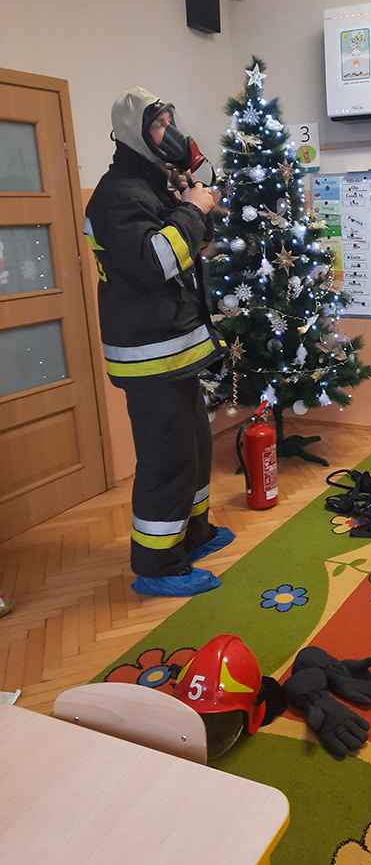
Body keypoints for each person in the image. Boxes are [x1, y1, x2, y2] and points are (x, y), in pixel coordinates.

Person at [85, 88, 233, 597]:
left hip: (176, 348)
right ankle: (156, 564)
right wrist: (189, 209)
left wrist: (197, 204)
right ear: (134, 134)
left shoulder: (152, 185)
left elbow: (192, 247)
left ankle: (192, 535)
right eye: (158, 125)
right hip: (149, 356)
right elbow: (156, 263)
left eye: (169, 121)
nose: (169, 133)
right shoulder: (116, 196)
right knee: (167, 460)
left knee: (194, 448)